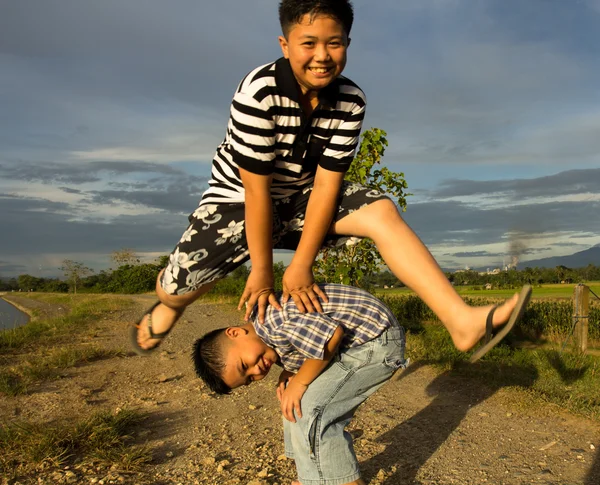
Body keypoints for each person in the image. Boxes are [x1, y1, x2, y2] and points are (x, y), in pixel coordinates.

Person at [130, 0, 522, 358]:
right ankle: (167, 308)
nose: (322, 56)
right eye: (309, 44)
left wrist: (300, 266)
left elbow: (327, 186)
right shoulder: (258, 93)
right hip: (238, 200)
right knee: (175, 291)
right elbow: (256, 191)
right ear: (285, 44)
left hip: (303, 199)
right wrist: (263, 272)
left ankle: (460, 321)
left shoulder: (351, 100)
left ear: (348, 43)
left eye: (334, 44)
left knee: (381, 211)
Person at [193, 283, 409, 485]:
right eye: (249, 379)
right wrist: (291, 373)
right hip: (357, 345)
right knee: (293, 399)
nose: (256, 371)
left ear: (235, 332)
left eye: (244, 365)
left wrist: (301, 381)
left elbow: (331, 335)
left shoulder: (273, 321)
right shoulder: (265, 334)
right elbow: (307, 342)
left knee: (312, 411)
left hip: (376, 340)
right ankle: (314, 475)